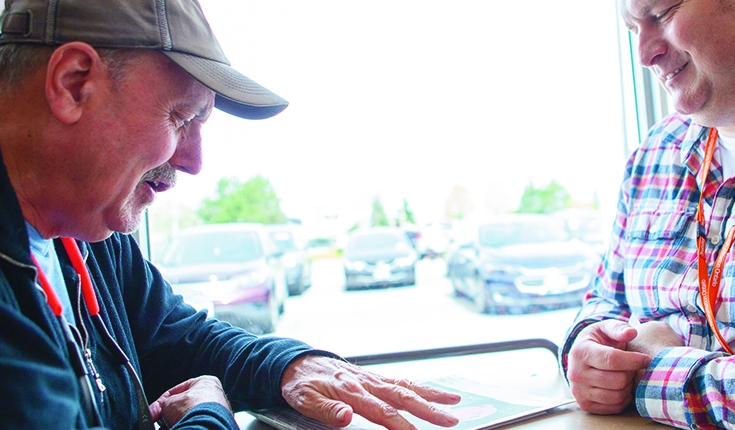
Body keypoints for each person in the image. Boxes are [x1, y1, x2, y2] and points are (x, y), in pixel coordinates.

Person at [0, 0, 462, 429]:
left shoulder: (84, 234)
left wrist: (291, 368)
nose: (194, 161)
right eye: (181, 119)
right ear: (74, 83)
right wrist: (208, 416)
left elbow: (179, 340)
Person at [561, 0, 735, 428]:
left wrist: (655, 375)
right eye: (633, 29)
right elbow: (604, 301)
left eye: (663, 13)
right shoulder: (654, 154)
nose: (644, 55)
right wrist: (588, 350)